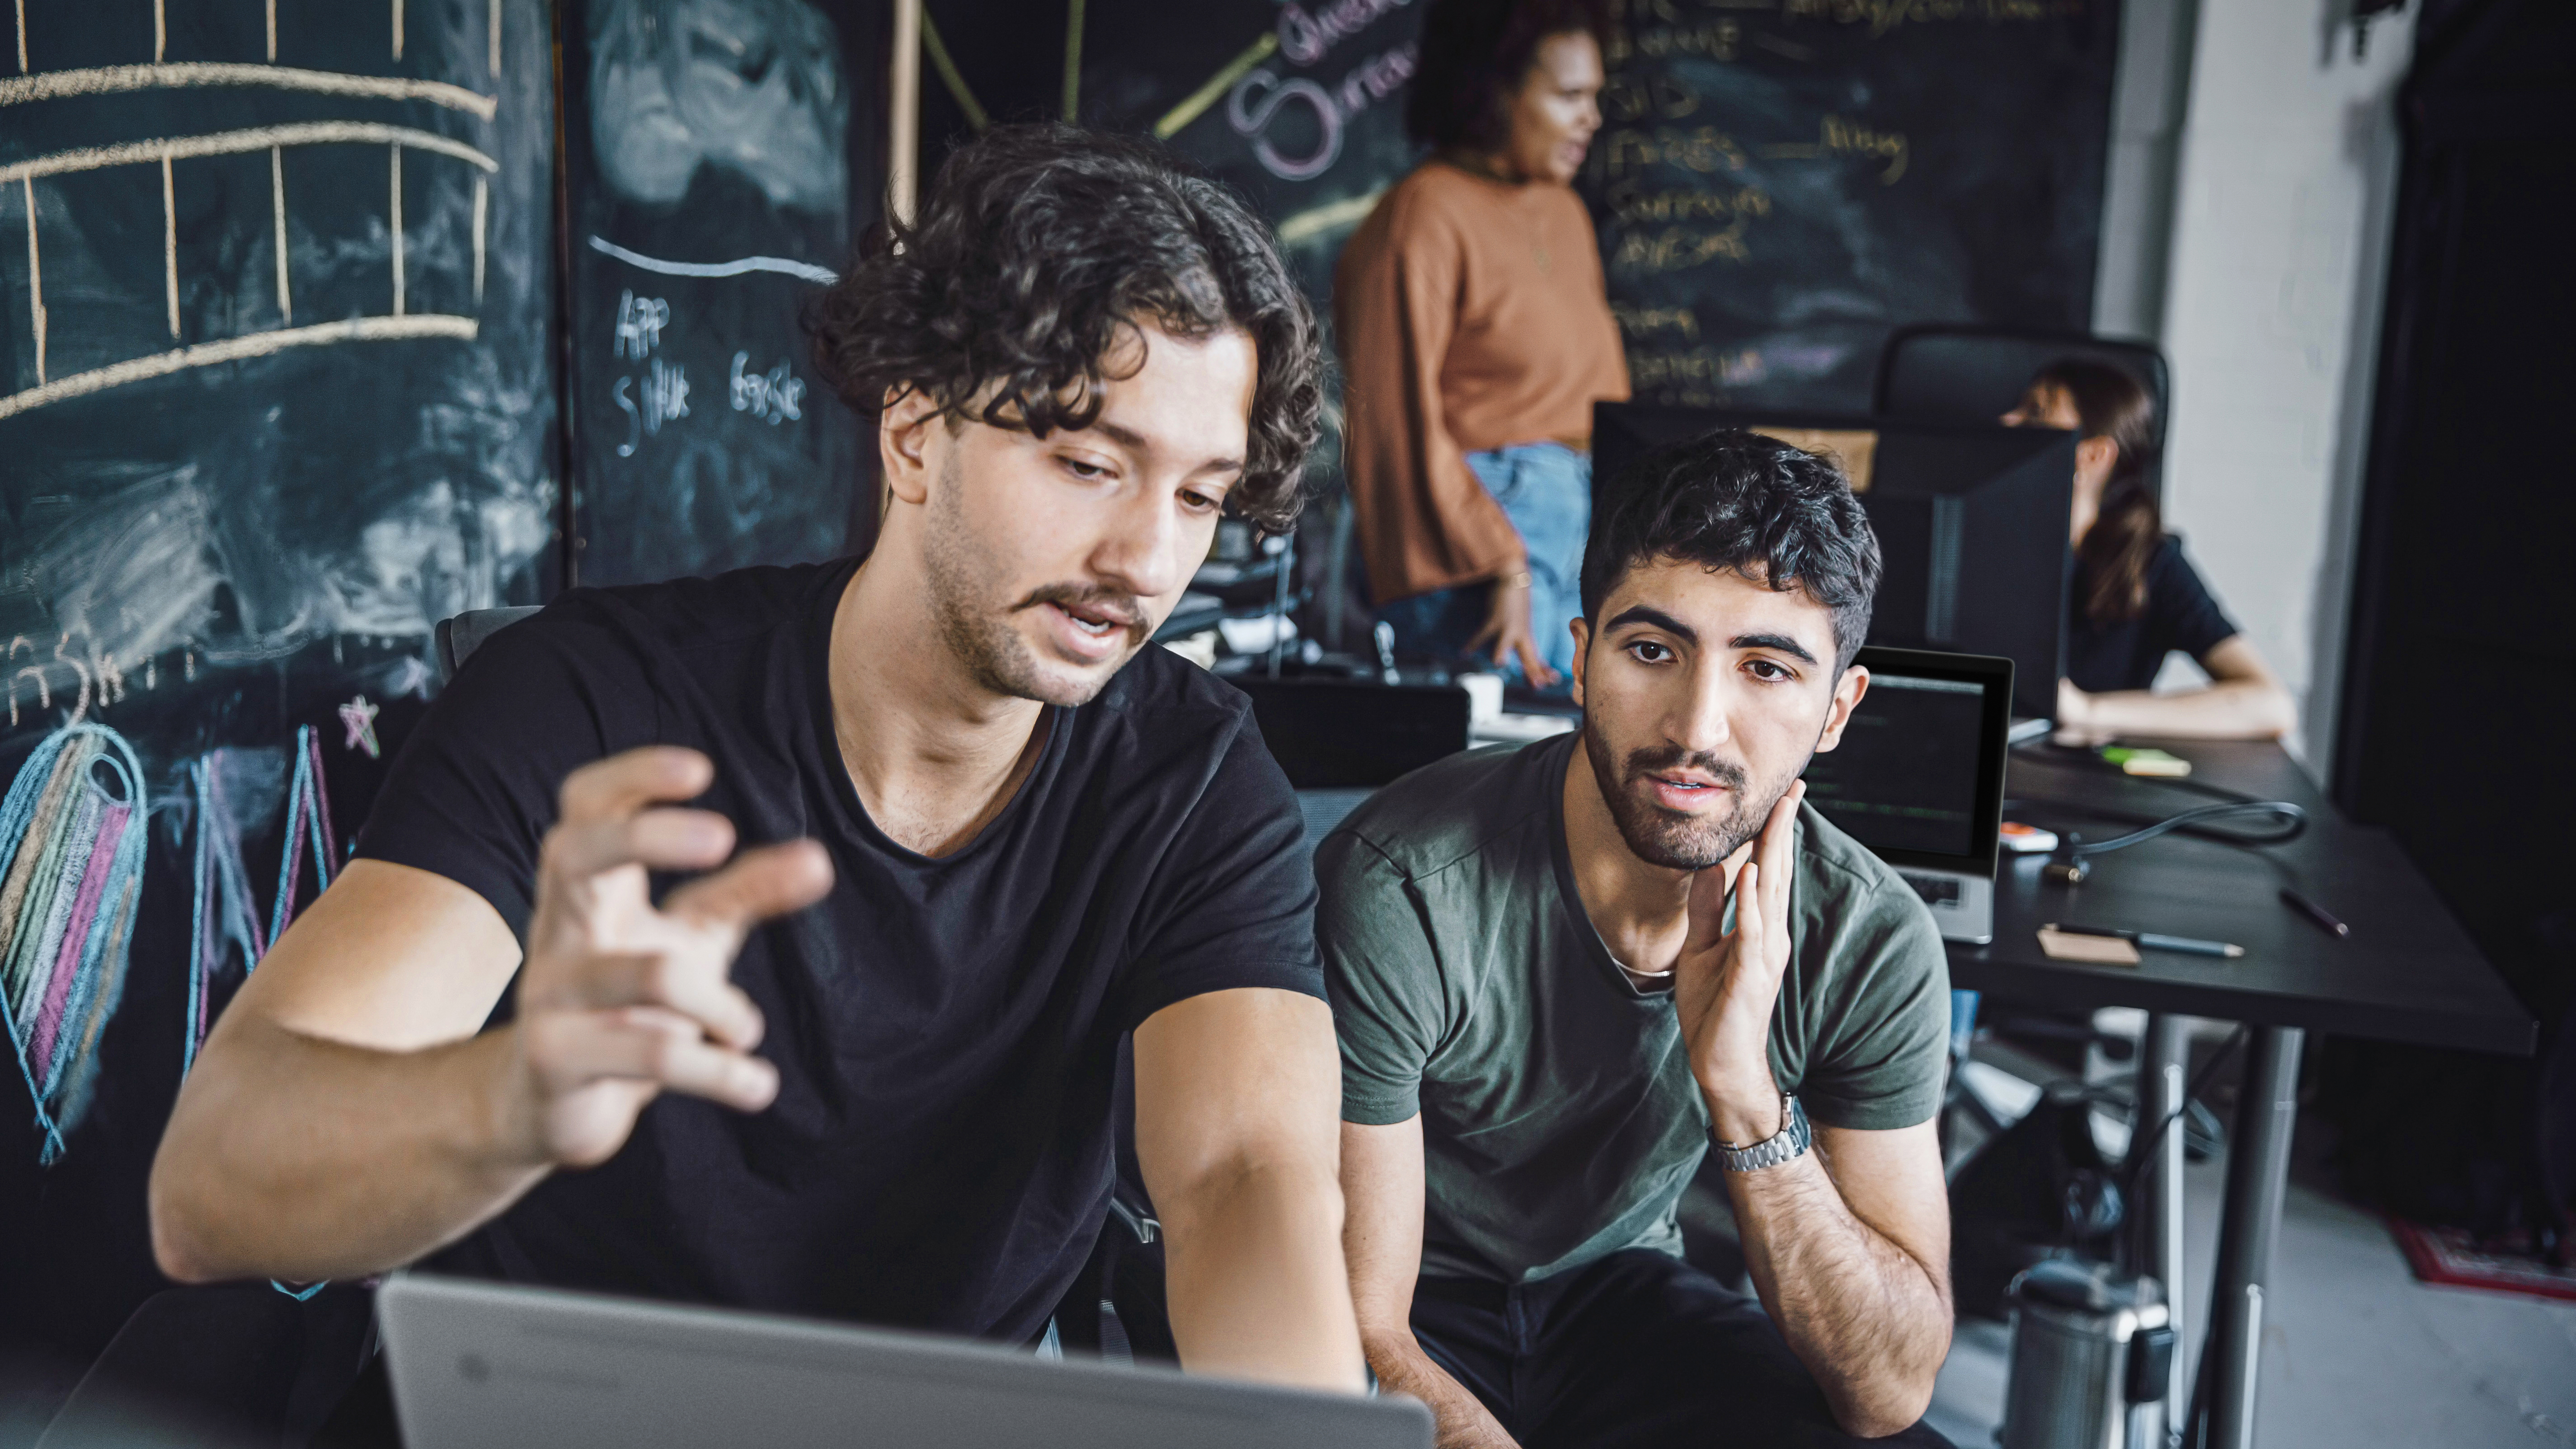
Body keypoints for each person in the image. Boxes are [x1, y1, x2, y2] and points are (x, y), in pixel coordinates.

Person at [149, 126, 1364, 1394]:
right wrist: (508, 1098)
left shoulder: (1190, 780)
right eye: (1086, 463)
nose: (1145, 563)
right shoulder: (588, 702)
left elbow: (1242, 1177)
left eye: (1198, 495)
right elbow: (213, 1186)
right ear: (912, 432)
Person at [1324, 430, 1954, 1448]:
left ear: (1839, 708)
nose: (1697, 727)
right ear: (1580, 659)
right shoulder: (1404, 882)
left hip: (1614, 1293)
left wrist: (1747, 1097)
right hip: (1419, 1305)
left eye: (1767, 668)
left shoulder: (1870, 937)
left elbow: (1886, 1389)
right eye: (1652, 651)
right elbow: (1362, 1329)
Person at [1335, 0, 1629, 692]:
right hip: (1481, 549)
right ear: (1492, 92)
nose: (1592, 118)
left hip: (1578, 532)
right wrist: (1505, 562)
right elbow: (1394, 423)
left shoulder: (1563, 209)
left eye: (1596, 96)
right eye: (1568, 96)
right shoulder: (1424, 213)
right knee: (1498, 774)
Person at [2003, 357, 2296, 743]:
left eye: (2036, 414)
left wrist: (2088, 710)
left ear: (2091, 456)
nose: (2008, 421)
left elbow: (2271, 705)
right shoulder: (1974, 544)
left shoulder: (2149, 562)